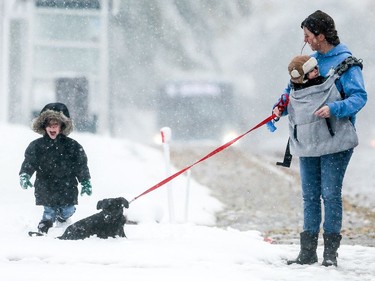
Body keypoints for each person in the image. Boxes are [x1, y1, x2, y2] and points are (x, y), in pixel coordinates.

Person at [271, 10, 367, 267]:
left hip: (335, 142)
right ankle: (307, 252)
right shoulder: (308, 62)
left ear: (321, 36)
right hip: (308, 140)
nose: (304, 40)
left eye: (308, 35)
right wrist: (278, 108)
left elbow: (360, 98)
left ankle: (329, 255)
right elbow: (289, 91)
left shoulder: (347, 63)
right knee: (310, 196)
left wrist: (334, 109)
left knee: (330, 194)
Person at [19, 102, 93, 234]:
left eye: (56, 125)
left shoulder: (73, 146)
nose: (52, 128)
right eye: (49, 125)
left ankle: (63, 218)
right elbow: (29, 162)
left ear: (62, 126)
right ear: (44, 126)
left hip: (67, 185)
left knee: (68, 210)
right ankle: (45, 224)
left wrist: (85, 181)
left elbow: (81, 165)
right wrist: (25, 175)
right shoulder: (37, 146)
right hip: (45, 184)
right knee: (49, 209)